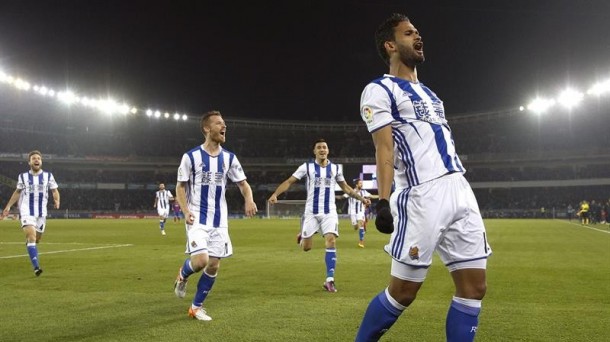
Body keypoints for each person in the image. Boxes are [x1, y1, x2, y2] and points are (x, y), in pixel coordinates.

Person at [355, 13, 492, 341]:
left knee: (474, 287)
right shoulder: (379, 90)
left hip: (459, 186)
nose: (418, 37)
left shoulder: (432, 95)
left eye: (418, 32)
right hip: (421, 193)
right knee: (403, 292)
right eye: (408, 33)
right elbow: (384, 149)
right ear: (391, 45)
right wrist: (383, 201)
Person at [172, 110, 257, 321]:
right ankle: (183, 274)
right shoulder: (190, 156)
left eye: (224, 123)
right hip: (197, 218)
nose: (224, 126)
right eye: (219, 123)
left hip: (219, 221)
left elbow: (244, 184)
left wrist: (249, 199)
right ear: (207, 129)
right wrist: (185, 211)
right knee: (201, 261)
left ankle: (196, 307)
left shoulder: (229, 158)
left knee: (214, 264)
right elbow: (180, 187)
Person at [268, 139, 371, 292]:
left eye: (324, 147)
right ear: (314, 151)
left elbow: (347, 189)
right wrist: (276, 194)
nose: (322, 150)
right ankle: (303, 235)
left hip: (330, 212)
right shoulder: (307, 167)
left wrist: (362, 199)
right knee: (306, 248)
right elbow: (289, 181)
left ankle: (330, 280)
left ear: (328, 151)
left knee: (331, 241)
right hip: (311, 212)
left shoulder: (335, 169)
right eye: (319, 148)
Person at [1, 150, 60, 276]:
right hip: (27, 210)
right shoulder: (23, 176)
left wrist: (57, 200)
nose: (36, 160)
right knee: (32, 237)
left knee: (36, 239)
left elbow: (55, 190)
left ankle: (30, 244)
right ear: (29, 162)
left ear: (41, 161)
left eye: (38, 158)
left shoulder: (48, 176)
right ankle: (36, 267)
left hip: (41, 213)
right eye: (34, 158)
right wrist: (8, 206)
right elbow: (17, 192)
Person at [340, 178, 378, 248]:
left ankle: (361, 242)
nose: (362, 184)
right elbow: (342, 197)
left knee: (361, 224)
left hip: (361, 211)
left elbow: (372, 196)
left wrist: (381, 197)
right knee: (355, 227)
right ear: (356, 185)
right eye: (360, 183)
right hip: (352, 212)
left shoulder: (363, 192)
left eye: (362, 183)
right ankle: (357, 227)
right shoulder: (351, 192)